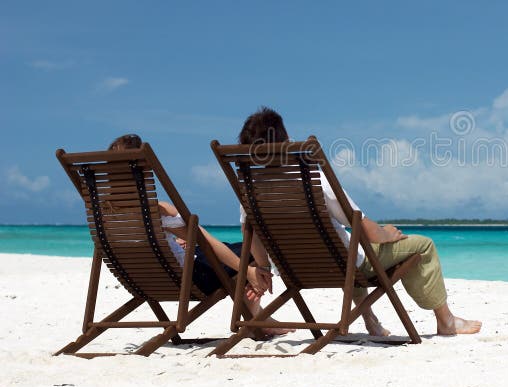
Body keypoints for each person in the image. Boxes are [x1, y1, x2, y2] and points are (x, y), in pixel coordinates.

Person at [238, 108, 482, 336]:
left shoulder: (250, 191)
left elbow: (249, 232)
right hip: (343, 264)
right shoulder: (310, 179)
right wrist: (387, 233)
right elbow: (362, 226)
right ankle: (446, 321)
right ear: (286, 142)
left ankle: (370, 320)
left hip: (297, 270)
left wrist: (263, 268)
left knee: (349, 251)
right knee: (422, 245)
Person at [108, 134, 288, 335]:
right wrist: (248, 271)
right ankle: (256, 321)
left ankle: (261, 316)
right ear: (143, 172)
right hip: (192, 278)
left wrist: (175, 241)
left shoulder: (104, 212)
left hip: (144, 279)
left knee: (234, 247)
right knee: (253, 251)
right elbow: (208, 244)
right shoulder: (158, 211)